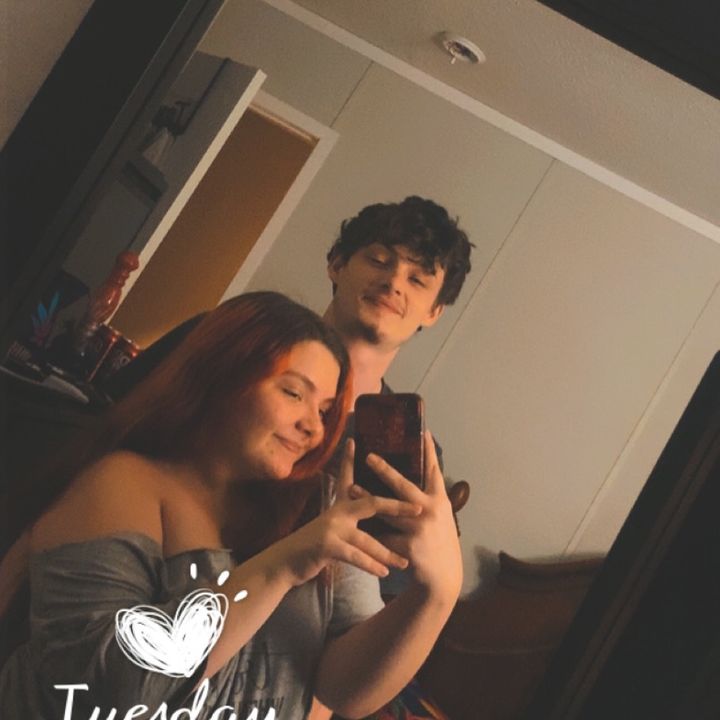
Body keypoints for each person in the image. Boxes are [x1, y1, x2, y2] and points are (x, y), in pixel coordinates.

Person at [0, 291, 462, 720]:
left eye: (324, 411)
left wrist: (436, 594)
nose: (314, 428)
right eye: (293, 393)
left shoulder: (321, 504)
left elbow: (345, 693)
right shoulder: (121, 482)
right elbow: (107, 694)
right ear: (224, 374)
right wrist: (283, 565)